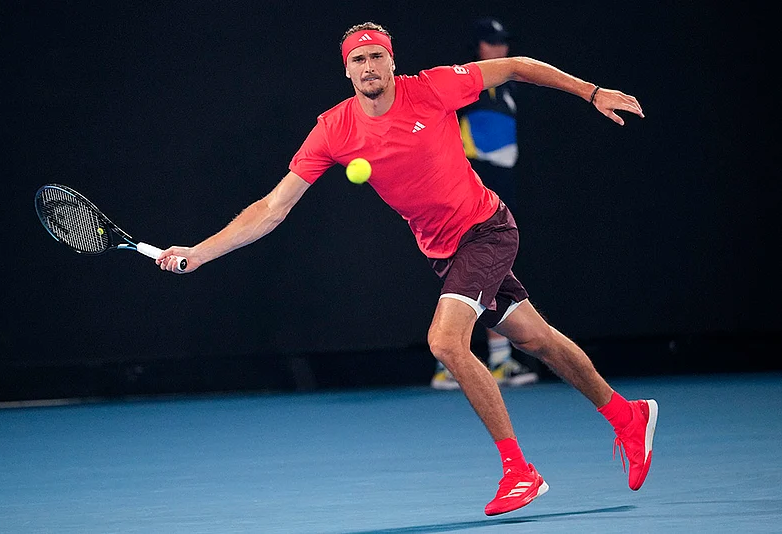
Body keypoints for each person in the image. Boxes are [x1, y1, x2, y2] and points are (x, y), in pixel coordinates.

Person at [156, 22, 657, 516]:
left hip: (486, 230)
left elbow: (517, 67)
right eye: (359, 59)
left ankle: (519, 471)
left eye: (377, 56)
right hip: (444, 251)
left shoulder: (434, 87)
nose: (369, 66)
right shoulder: (334, 128)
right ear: (347, 70)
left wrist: (591, 92)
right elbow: (272, 207)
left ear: (392, 61)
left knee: (445, 342)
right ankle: (626, 415)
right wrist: (199, 252)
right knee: (536, 339)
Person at [431, 16, 539, 390]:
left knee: (494, 276)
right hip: (470, 194)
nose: (501, 49)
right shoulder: (466, 89)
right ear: (478, 47)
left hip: (501, 191)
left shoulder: (505, 90)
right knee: (467, 273)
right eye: (493, 43)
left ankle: (497, 361)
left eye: (504, 42)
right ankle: (451, 360)